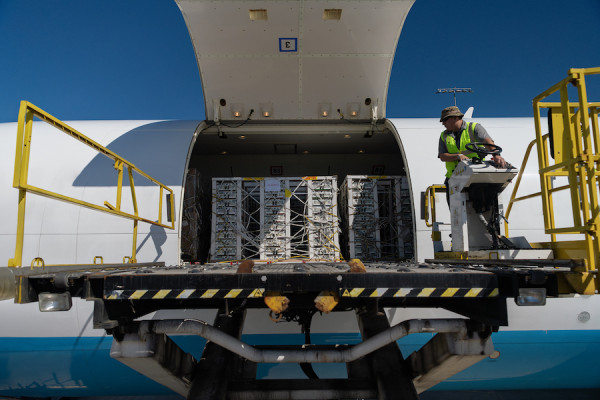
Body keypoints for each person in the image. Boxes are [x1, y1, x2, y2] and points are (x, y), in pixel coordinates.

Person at [438, 106, 507, 204]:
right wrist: (458, 156)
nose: (443, 123)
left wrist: (496, 155)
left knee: (478, 207)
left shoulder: (474, 128)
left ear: (455, 118)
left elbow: (488, 142)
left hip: (474, 176)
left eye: (445, 120)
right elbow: (442, 156)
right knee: (456, 212)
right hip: (453, 178)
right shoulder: (444, 135)